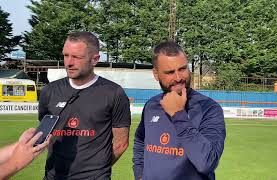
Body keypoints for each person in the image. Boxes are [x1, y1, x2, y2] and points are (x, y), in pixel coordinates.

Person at [38, 31, 131, 179]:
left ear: (95, 59)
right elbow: (44, 133)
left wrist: (97, 169)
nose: (69, 62)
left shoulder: (114, 93)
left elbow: (121, 143)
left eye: (77, 57)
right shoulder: (49, 91)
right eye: (66, 55)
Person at [133, 41, 226, 180]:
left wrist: (178, 114)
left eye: (182, 69)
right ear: (156, 74)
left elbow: (207, 162)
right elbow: (140, 141)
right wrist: (139, 174)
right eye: (170, 72)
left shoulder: (209, 108)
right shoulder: (151, 105)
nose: (178, 78)